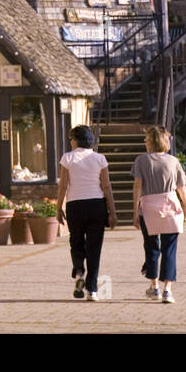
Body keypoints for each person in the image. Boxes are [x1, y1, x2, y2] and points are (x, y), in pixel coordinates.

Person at [131, 127, 186, 303]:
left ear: (151, 141)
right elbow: (182, 188)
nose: (145, 142)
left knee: (151, 248)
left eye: (146, 139)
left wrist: (135, 210)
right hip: (171, 207)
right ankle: (168, 290)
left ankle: (154, 286)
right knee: (169, 249)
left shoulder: (141, 161)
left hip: (149, 208)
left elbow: (137, 186)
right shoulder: (173, 161)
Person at [57, 126, 117, 301]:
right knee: (94, 247)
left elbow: (63, 186)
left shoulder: (67, 158)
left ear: (75, 140)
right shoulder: (100, 159)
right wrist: (112, 212)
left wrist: (58, 207)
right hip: (96, 205)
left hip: (75, 204)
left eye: (71, 139)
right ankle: (92, 290)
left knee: (75, 241)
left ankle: (79, 273)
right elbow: (106, 186)